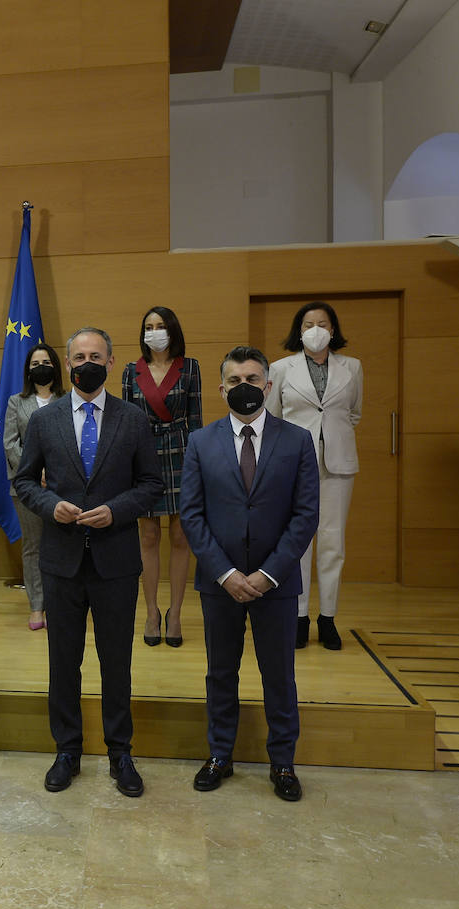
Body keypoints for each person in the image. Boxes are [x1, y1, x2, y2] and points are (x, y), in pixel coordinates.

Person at [13, 328, 162, 798]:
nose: (86, 363)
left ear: (112, 362)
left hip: (116, 561)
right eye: (78, 356)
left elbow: (151, 484)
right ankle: (67, 750)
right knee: (64, 662)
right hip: (61, 562)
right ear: (67, 364)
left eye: (95, 356)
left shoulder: (133, 419)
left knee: (116, 663)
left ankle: (121, 752)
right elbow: (24, 482)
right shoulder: (45, 419)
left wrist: (118, 510)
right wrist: (48, 504)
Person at [179, 346, 319, 803]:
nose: (245, 387)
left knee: (279, 675)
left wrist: (266, 575)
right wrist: (224, 573)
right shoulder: (200, 443)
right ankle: (220, 754)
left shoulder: (297, 441)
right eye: (235, 381)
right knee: (221, 673)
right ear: (222, 389)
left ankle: (282, 762)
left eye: (253, 379)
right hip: (219, 584)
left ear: (268, 386)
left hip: (275, 585)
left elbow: (305, 516)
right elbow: (191, 515)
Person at [266, 302, 362, 652]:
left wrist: (329, 438)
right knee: (298, 542)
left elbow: (353, 413)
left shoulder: (352, 367)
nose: (316, 329)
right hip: (294, 464)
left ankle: (329, 618)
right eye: (309, 323)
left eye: (322, 323)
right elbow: (273, 417)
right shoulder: (280, 368)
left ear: (333, 330)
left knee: (333, 543)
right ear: (299, 329)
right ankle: (300, 616)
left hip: (338, 464)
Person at [120, 307, 202, 648]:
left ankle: (176, 614)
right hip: (145, 457)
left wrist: (201, 465)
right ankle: (152, 612)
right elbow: (125, 422)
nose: (155, 332)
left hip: (183, 454)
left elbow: (196, 420)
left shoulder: (190, 367)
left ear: (173, 330)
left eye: (161, 326)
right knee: (149, 538)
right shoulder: (131, 371)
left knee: (182, 538)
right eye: (149, 326)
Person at [2, 342, 65, 631]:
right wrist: (33, 471)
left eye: (46, 363)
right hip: (27, 487)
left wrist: (53, 472)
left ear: (56, 366)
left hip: (63, 485)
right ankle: (37, 606)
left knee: (62, 547)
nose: (41, 368)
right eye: (35, 364)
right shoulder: (17, 401)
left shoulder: (68, 399)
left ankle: (59, 604)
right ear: (28, 369)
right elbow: (10, 442)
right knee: (33, 547)